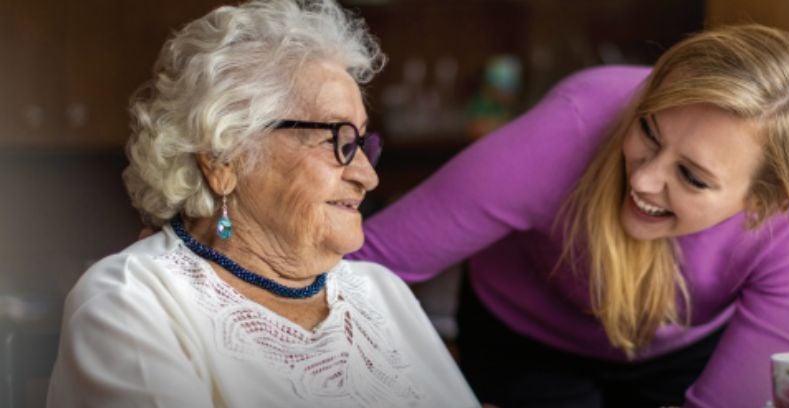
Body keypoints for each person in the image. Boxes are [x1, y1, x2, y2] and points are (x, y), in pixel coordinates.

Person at [352, 24, 789, 407]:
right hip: (523, 341)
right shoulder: (572, 125)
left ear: (762, 204)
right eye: (648, 133)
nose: (642, 180)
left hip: (682, 355)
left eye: (692, 177)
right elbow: (363, 264)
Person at [46, 1, 479, 407]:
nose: (367, 175)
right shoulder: (133, 303)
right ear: (222, 160)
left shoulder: (379, 292)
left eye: (362, 142)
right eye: (337, 140)